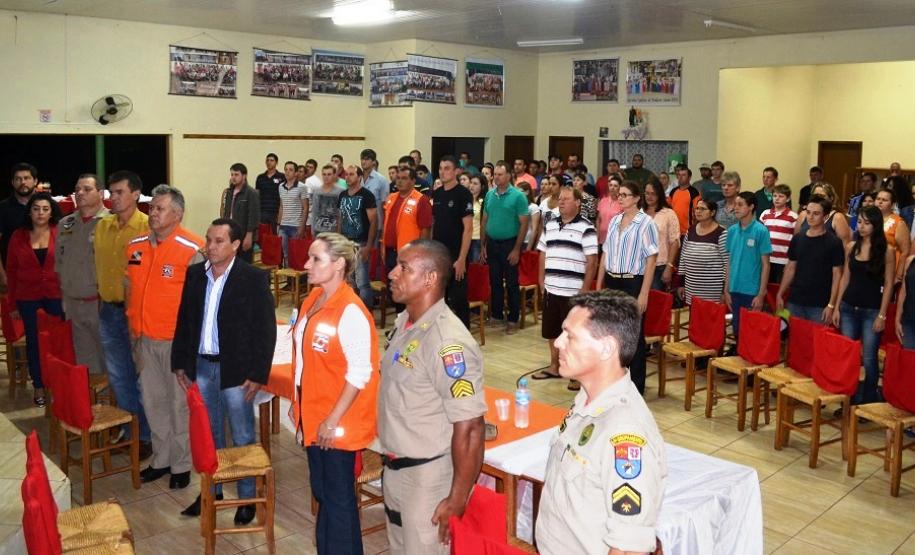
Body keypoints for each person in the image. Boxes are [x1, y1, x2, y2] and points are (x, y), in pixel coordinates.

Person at [536, 290, 666, 555]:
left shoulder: (625, 433)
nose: (559, 343)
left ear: (606, 348)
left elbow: (629, 548)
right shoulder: (586, 401)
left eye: (570, 336)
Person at [378, 239, 486, 554]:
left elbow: (471, 428)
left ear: (430, 279)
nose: (392, 273)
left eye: (404, 268)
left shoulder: (448, 342)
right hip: (396, 469)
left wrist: (457, 498)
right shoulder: (406, 323)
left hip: (427, 480)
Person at [172, 219, 276, 523]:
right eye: (208, 240)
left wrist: (258, 373)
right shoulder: (195, 274)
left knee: (243, 434)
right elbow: (184, 321)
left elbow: (265, 330)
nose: (210, 247)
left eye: (218, 241)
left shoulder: (252, 278)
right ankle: (211, 492)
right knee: (209, 433)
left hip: (236, 370)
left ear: (235, 245)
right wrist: (180, 361)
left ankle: (247, 498)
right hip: (201, 366)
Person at [287, 233, 379, 554]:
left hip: (336, 423)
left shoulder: (351, 311)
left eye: (316, 259)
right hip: (314, 415)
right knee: (324, 493)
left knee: (338, 500)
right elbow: (304, 357)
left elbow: (360, 372)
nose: (306, 264)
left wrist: (332, 419)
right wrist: (297, 403)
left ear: (339, 264)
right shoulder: (312, 299)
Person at [126, 184, 204, 489]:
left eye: (159, 208)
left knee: (178, 404)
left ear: (177, 214)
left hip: (176, 343)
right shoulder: (135, 245)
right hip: (144, 339)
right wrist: (133, 331)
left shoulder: (193, 248)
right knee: (153, 402)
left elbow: (199, 305)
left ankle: (182, 463)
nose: (152, 213)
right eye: (152, 207)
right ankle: (161, 459)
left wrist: (190, 348)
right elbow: (129, 288)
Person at [94, 170, 152, 458]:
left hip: (136, 314)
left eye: (119, 192)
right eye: (110, 192)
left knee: (143, 377)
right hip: (108, 311)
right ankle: (131, 433)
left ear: (136, 194)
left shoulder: (146, 229)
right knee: (119, 377)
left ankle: (149, 436)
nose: (112, 198)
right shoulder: (103, 227)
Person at [531, 187, 598, 391]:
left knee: (574, 334)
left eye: (566, 199)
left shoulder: (586, 227)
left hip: (574, 291)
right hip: (552, 287)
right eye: (560, 199)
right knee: (551, 331)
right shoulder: (550, 224)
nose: (561, 202)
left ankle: (576, 373)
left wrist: (585, 289)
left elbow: (592, 261)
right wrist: (541, 282)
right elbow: (542, 253)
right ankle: (555, 366)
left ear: (577, 202)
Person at [596, 181, 658, 395]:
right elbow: (606, 253)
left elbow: (651, 259)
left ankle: (636, 388)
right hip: (613, 281)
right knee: (613, 335)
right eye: (619, 194)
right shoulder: (614, 221)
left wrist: (643, 293)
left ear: (636, 198)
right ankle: (615, 381)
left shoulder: (646, 223)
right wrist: (598, 283)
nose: (619, 197)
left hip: (633, 282)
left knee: (634, 337)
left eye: (624, 194)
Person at [833, 206, 895, 404]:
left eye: (867, 223)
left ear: (876, 225)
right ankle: (848, 399)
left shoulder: (887, 251)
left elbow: (889, 284)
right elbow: (845, 279)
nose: (862, 226)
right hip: (849, 307)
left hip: (872, 310)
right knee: (848, 356)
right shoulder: (851, 247)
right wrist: (836, 306)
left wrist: (882, 315)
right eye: (859, 222)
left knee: (869, 359)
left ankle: (868, 401)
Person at [6, 192, 62, 406]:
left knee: (57, 341)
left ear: (51, 212)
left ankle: (57, 385)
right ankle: (38, 385)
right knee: (34, 342)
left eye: (45, 209)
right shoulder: (18, 236)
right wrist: (12, 303)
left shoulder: (59, 232)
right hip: (27, 298)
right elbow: (11, 272)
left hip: (56, 295)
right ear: (29, 212)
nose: (40, 213)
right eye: (36, 208)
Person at [55, 174, 108, 377]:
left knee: (108, 360)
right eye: (78, 189)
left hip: (100, 305)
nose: (80, 193)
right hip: (73, 304)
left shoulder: (110, 223)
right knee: (84, 361)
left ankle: (108, 405)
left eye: (87, 189)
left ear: (101, 193)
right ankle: (92, 406)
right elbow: (60, 264)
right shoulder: (66, 223)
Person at [776, 195, 844, 324]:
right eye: (808, 212)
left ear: (825, 217)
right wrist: (780, 292)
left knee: (816, 341)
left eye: (816, 214)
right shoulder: (798, 238)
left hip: (819, 304)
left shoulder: (834, 242)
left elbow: (837, 276)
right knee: (794, 340)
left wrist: (831, 305)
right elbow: (790, 268)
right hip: (796, 300)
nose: (811, 217)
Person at [480, 161, 530, 335]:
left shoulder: (518, 196)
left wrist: (517, 249)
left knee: (511, 283)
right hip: (492, 243)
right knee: (495, 281)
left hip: (510, 243)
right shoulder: (489, 195)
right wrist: (483, 245)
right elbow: (485, 220)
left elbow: (524, 224)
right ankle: (497, 314)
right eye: (495, 174)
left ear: (509, 175)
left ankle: (513, 318)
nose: (496, 177)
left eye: (500, 174)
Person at [724, 192, 772, 347]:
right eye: (735, 205)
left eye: (740, 205)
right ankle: (739, 363)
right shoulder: (732, 230)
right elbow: (729, 261)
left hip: (751, 291)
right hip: (734, 288)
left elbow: (766, 265)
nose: (735, 208)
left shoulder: (761, 231)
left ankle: (750, 366)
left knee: (751, 331)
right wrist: (726, 289)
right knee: (737, 328)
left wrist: (761, 293)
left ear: (751, 207)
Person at [431, 155, 473, 328]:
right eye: (441, 168)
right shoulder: (438, 193)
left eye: (447, 168)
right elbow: (434, 224)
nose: (442, 171)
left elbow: (468, 229)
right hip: (439, 256)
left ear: (456, 171)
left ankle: (464, 336)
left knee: (458, 298)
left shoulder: (463, 194)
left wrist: (462, 258)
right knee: (438, 298)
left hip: (457, 255)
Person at [382, 167, 433, 290]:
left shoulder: (421, 200)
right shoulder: (391, 198)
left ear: (413, 181)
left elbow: (425, 230)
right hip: (390, 252)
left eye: (404, 178)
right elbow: (386, 224)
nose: (399, 181)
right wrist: (382, 247)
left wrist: (420, 255)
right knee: (393, 290)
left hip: (410, 254)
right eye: (398, 178)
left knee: (407, 290)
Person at [336, 165, 378, 310]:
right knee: (349, 280)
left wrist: (369, 246)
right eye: (346, 174)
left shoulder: (366, 195)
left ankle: (366, 313)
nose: (347, 177)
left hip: (361, 243)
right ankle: (352, 309)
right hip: (346, 244)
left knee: (362, 282)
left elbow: (373, 221)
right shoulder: (342, 195)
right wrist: (339, 241)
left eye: (351, 174)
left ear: (359, 177)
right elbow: (340, 219)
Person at [677, 198, 728, 305]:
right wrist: (680, 283)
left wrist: (724, 290)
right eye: (697, 208)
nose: (698, 211)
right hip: (691, 290)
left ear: (712, 212)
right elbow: (682, 258)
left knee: (709, 320)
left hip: (712, 292)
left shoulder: (721, 233)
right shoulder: (690, 231)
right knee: (694, 320)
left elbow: (727, 264)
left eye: (703, 209)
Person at [0, 163, 40, 287]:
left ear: (35, 181)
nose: (23, 182)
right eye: (18, 179)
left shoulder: (47, 206)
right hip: (13, 275)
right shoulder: (3, 208)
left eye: (27, 178)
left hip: (44, 276)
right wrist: (2, 275)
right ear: (12, 182)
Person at [643, 179, 680, 291]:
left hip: (659, 266)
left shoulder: (668, 214)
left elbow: (675, 242)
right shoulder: (639, 213)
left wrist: (669, 266)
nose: (649, 197)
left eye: (653, 194)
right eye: (647, 193)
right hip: (639, 266)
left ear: (659, 195)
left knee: (655, 303)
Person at [219, 163, 259, 263]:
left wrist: (249, 235)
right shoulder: (229, 192)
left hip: (244, 235)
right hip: (231, 234)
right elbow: (226, 213)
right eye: (232, 174)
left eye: (236, 175)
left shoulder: (251, 193)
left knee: (243, 264)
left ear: (244, 176)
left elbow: (253, 215)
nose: (233, 177)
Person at [758, 184, 798, 284]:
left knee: (778, 288)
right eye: (775, 196)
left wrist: (790, 262)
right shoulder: (765, 214)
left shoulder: (793, 217)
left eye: (781, 196)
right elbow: (759, 236)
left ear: (788, 199)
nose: (777, 199)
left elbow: (795, 241)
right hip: (766, 259)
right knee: (764, 287)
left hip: (783, 261)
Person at [875, 188, 911, 285]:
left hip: (889, 270)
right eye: (878, 199)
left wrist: (898, 276)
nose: (880, 202)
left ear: (893, 204)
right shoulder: (870, 219)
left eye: (884, 200)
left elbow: (905, 251)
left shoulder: (898, 223)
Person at [277, 161, 307, 262]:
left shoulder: (302, 187)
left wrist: (302, 227)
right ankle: (288, 277)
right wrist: (278, 224)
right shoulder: (281, 186)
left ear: (296, 173)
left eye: (290, 170)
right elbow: (281, 206)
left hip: (296, 226)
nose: (287, 172)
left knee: (295, 254)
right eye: (286, 169)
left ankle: (296, 277)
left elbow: (305, 208)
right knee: (285, 254)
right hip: (283, 226)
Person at [668, 165, 700, 236]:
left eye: (684, 175)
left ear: (689, 177)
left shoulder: (694, 193)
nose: (680, 177)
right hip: (673, 231)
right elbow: (668, 210)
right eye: (679, 175)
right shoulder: (673, 191)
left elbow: (698, 212)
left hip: (687, 232)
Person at [255, 153, 283, 230]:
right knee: (262, 236)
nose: (269, 162)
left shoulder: (282, 177)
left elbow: (283, 196)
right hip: (262, 212)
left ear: (276, 163)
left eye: (272, 160)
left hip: (275, 212)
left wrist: (280, 215)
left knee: (274, 238)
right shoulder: (260, 177)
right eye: (267, 160)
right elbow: (257, 194)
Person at [596, 173, 623, 249]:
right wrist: (597, 233)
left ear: (619, 188)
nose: (612, 188)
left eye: (615, 186)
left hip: (615, 239)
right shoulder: (603, 201)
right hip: (601, 238)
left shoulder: (622, 203)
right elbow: (598, 219)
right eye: (610, 185)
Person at [895, 253, 915, 349]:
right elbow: (903, 291)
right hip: (908, 321)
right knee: (909, 360)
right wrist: (897, 319)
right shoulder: (910, 260)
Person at [517, 181, 542, 250]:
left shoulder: (533, 207)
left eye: (520, 192)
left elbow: (534, 229)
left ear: (527, 192)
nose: (518, 194)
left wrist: (529, 248)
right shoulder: (517, 206)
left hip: (527, 241)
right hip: (516, 240)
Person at [468, 174, 486, 263]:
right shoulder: (466, 200)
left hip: (477, 239)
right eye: (471, 183)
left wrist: (484, 244)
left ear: (482, 187)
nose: (471, 186)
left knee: (475, 266)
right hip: (465, 237)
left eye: (475, 184)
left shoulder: (483, 202)